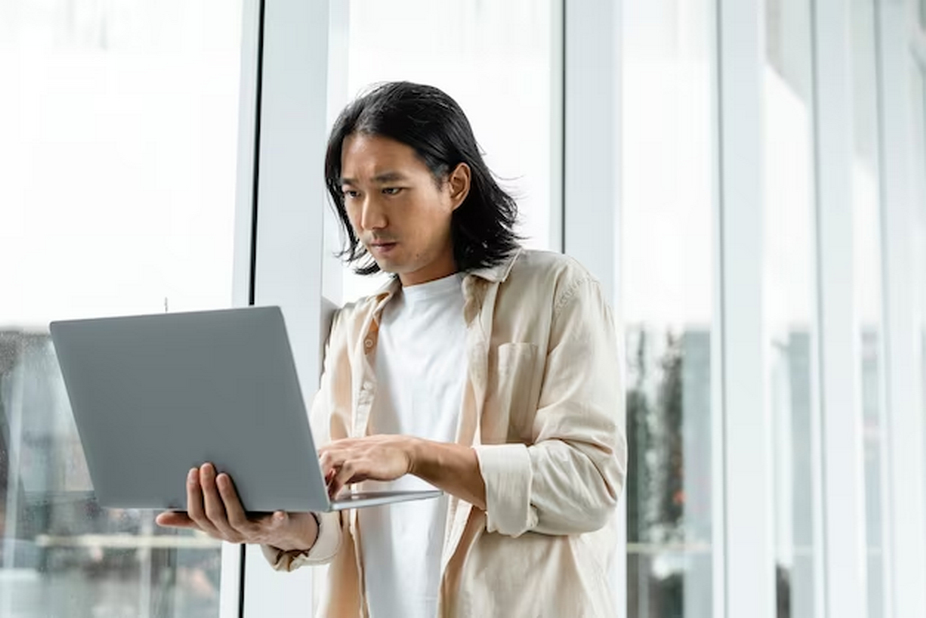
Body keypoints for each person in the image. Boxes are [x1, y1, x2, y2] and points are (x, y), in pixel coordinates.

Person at [157, 81, 626, 617]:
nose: (368, 219)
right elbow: (330, 516)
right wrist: (279, 524)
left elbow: (590, 484)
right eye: (352, 192)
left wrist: (412, 453)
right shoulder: (354, 329)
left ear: (455, 185)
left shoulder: (554, 291)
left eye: (391, 189)